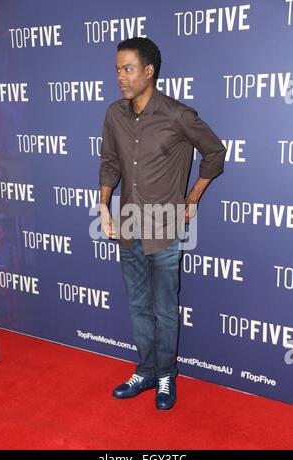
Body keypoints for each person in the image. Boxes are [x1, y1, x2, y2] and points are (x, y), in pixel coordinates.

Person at [99, 37, 226, 410]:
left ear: (149, 71)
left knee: (165, 308)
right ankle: (147, 369)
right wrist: (103, 206)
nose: (121, 76)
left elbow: (215, 154)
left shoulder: (177, 115)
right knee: (138, 306)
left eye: (128, 69)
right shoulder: (113, 115)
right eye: (118, 69)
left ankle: (167, 375)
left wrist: (192, 199)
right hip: (127, 226)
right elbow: (110, 163)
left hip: (165, 229)